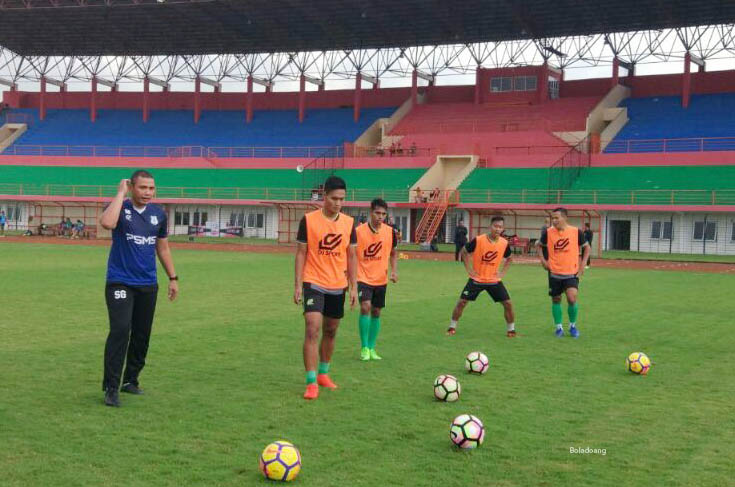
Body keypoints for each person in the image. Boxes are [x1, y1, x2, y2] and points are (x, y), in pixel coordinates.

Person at [99, 170, 178, 407]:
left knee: (142, 334)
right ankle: (111, 387)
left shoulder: (158, 214)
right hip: (120, 281)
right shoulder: (119, 207)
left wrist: (173, 277)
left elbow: (162, 248)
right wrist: (120, 193)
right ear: (132, 187)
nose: (148, 193)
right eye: (143, 188)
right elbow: (107, 223)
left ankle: (130, 380)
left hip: (147, 283)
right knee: (121, 330)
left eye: (151, 188)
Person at [294, 176, 358, 400]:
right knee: (312, 328)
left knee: (331, 330)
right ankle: (311, 382)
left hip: (337, 284)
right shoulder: (308, 220)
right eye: (334, 198)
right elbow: (301, 253)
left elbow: (351, 256)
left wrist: (353, 287)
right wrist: (298, 285)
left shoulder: (350, 223)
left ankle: (323, 373)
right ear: (324, 196)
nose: (338, 203)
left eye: (341, 199)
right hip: (313, 281)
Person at [447, 216, 516, 337]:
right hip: (477, 279)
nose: (497, 229)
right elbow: (464, 252)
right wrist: (469, 269)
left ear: (503, 229)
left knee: (508, 303)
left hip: (494, 280)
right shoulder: (479, 240)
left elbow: (509, 258)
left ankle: (511, 330)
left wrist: (502, 273)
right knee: (462, 302)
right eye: (495, 226)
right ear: (490, 227)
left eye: (500, 227)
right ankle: (452, 327)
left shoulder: (504, 243)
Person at [355, 198, 399, 361]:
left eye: (383, 214)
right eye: (377, 213)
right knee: (365, 307)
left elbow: (394, 253)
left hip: (381, 278)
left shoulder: (390, 232)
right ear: (370, 212)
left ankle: (372, 348)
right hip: (363, 277)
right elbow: (351, 254)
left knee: (376, 311)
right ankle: (364, 347)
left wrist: (394, 271)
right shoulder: (359, 232)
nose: (380, 217)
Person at [536, 208, 590, 338]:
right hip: (554, 272)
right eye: (552, 218)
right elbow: (538, 245)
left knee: (572, 298)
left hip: (571, 272)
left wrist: (582, 265)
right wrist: (543, 261)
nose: (554, 221)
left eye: (556, 218)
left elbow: (587, 247)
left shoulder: (576, 232)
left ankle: (572, 326)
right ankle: (559, 328)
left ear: (565, 218)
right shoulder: (548, 232)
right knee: (556, 299)